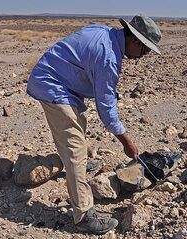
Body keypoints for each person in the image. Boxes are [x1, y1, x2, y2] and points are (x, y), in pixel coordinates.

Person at [27, 14, 161, 234]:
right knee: (76, 147)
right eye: (145, 49)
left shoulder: (105, 33)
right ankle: (83, 216)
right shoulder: (108, 56)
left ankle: (74, 167)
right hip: (52, 85)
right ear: (135, 40)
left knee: (77, 128)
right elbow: (106, 108)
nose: (143, 56)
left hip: (63, 85)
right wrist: (126, 141)